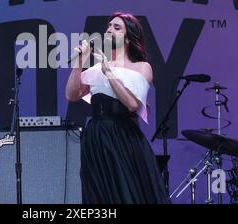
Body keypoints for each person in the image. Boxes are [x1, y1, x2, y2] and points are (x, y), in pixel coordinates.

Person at [65, 11, 170, 204]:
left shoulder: (141, 67)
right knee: (99, 194)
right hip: (96, 136)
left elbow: (131, 104)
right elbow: (71, 95)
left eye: (117, 27)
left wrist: (109, 72)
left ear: (129, 38)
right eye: (109, 26)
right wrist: (79, 64)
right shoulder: (97, 69)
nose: (109, 29)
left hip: (123, 136)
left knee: (127, 190)